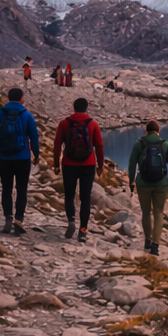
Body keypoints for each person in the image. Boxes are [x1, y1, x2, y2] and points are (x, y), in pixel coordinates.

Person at [0, 87, 40, 234]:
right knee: (22, 189)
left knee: (6, 188)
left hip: (3, 157)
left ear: (8, 98)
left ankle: (8, 217)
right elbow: (34, 137)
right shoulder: (27, 115)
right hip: (23, 157)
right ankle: (19, 219)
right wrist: (36, 154)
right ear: (22, 99)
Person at [53, 96, 103, 243]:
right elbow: (99, 145)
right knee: (85, 198)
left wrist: (56, 164)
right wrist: (101, 165)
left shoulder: (64, 123)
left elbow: (57, 145)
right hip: (88, 164)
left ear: (73, 107)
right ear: (86, 108)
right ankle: (83, 230)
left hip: (69, 164)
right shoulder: (93, 124)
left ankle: (71, 221)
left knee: (69, 195)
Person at [127, 119, 168, 256]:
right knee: (158, 213)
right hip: (161, 184)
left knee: (146, 212)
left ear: (146, 130)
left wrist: (131, 181)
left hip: (143, 183)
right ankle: (155, 245)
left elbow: (132, 164)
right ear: (158, 130)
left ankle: (147, 241)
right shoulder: (165, 144)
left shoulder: (139, 144)